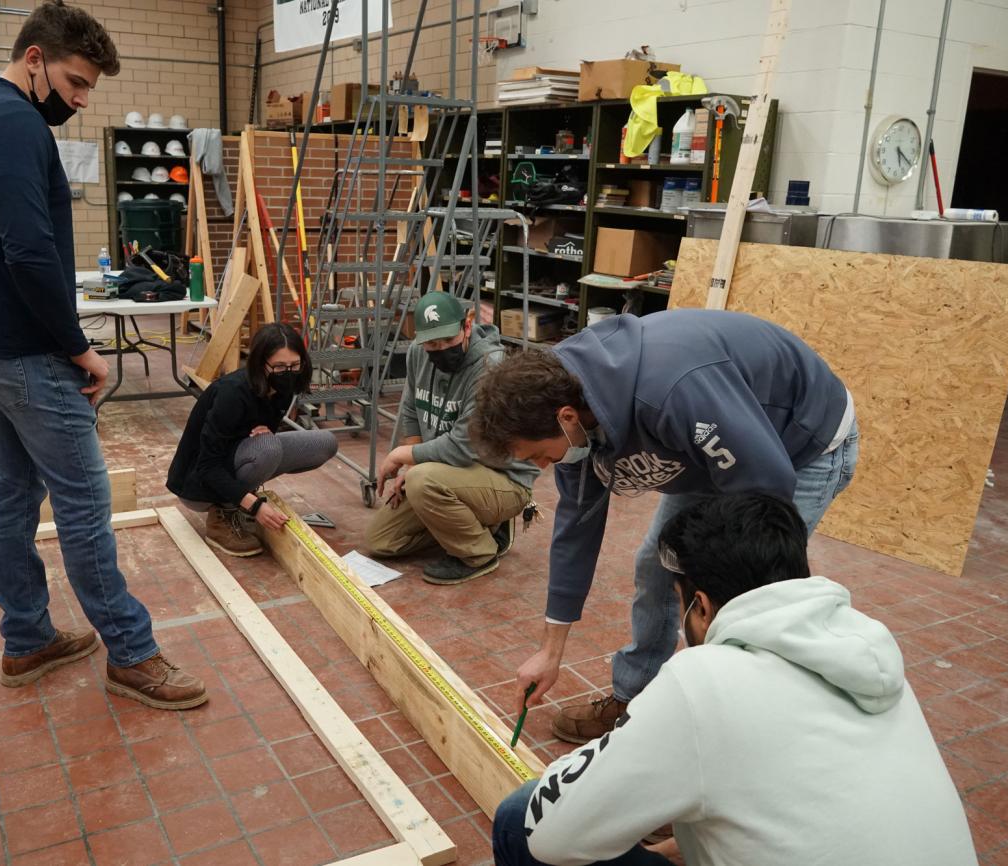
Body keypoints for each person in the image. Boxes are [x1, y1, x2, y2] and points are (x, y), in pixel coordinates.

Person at [0, 0, 206, 710]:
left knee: (12, 492)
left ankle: (27, 638)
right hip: (24, 348)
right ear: (34, 60)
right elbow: (27, 251)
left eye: (90, 89)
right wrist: (78, 346)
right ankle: (132, 652)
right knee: (85, 502)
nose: (81, 101)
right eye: (76, 82)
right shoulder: (17, 123)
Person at [492, 494, 977, 866]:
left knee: (519, 819)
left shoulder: (704, 679)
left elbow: (552, 835)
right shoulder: (864, 646)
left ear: (699, 607)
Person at [473, 309, 859, 742]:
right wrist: (549, 651)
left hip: (799, 444)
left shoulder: (671, 390)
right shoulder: (569, 415)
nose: (543, 467)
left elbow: (765, 490)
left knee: (745, 595)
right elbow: (574, 535)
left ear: (566, 418)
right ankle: (634, 699)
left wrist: (720, 590)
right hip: (711, 448)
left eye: (537, 455)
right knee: (657, 565)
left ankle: (733, 733)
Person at [365, 292, 540, 584]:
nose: (442, 349)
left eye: (449, 340)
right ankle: (469, 525)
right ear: (420, 339)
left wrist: (402, 458)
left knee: (423, 481)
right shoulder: (417, 355)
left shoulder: (489, 366)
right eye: (433, 343)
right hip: (450, 471)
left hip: (503, 477)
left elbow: (462, 447)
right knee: (381, 541)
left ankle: (480, 553)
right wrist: (413, 461)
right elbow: (410, 409)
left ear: (467, 326)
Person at [167, 323, 337, 556]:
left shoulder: (283, 387)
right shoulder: (232, 394)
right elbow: (207, 465)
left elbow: (262, 431)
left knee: (325, 443)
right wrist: (254, 505)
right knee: (268, 448)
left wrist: (261, 433)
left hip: (236, 458)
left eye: (295, 365)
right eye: (279, 367)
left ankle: (239, 498)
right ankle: (224, 513)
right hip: (198, 485)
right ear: (260, 364)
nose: (288, 373)